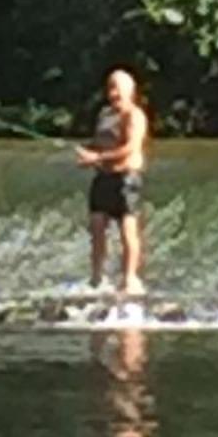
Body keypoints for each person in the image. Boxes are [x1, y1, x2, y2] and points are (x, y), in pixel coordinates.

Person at [76, 68, 150, 295]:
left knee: (128, 229)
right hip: (103, 178)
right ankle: (97, 277)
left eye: (117, 88)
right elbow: (99, 143)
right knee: (97, 226)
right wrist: (88, 153)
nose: (113, 93)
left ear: (130, 90)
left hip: (126, 179)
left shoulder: (134, 116)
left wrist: (97, 157)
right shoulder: (105, 115)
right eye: (110, 87)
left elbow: (130, 148)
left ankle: (130, 278)